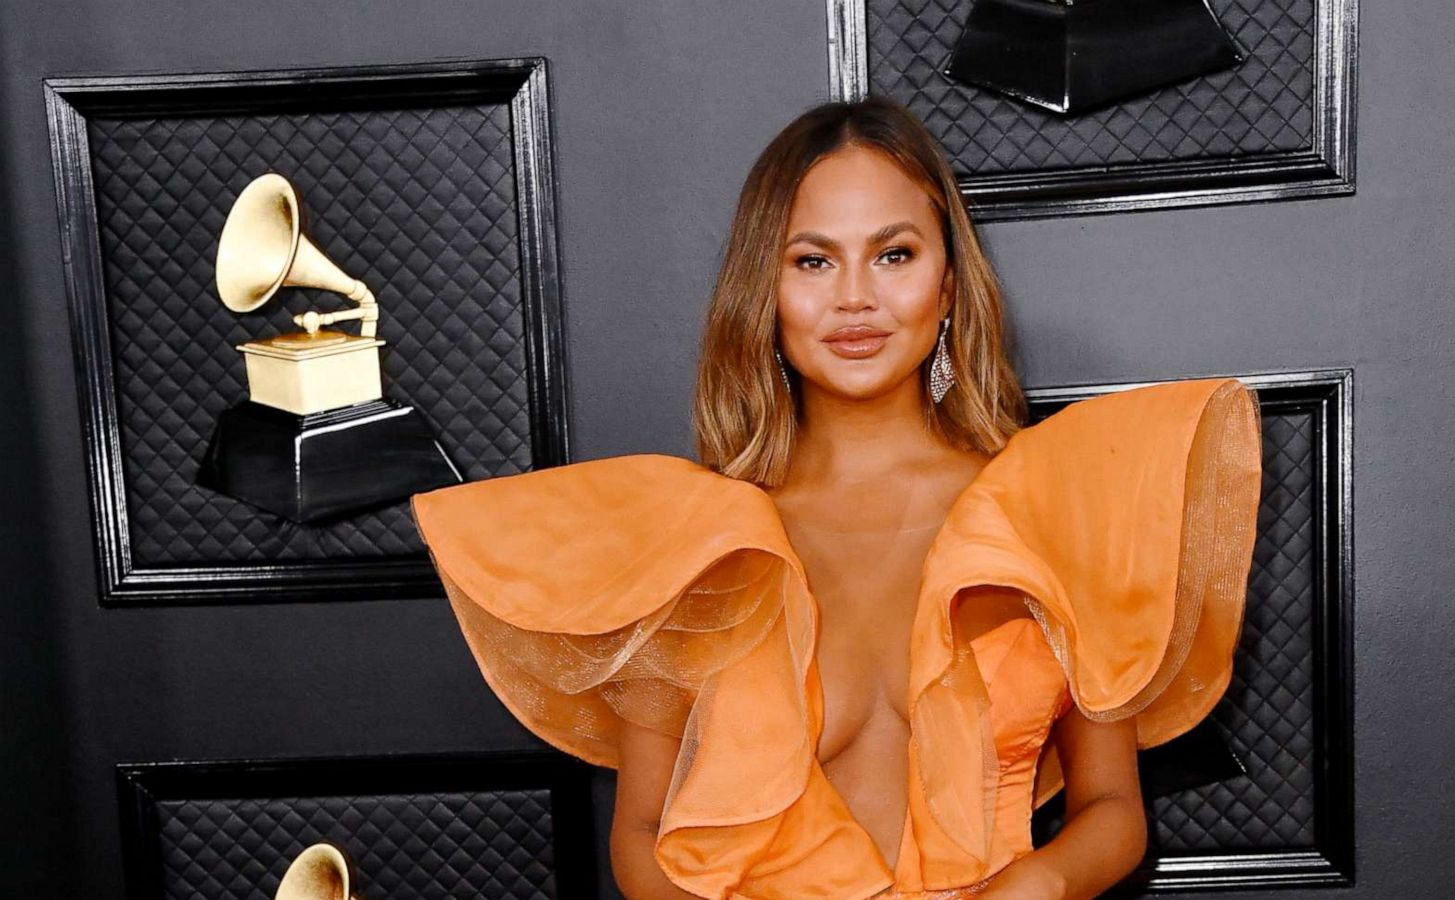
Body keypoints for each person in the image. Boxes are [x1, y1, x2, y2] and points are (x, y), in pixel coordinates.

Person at [410, 97, 1261, 899]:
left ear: (950, 284)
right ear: (765, 291)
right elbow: (638, 829)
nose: (855, 296)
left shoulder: (1049, 509)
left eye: (894, 254)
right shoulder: (699, 536)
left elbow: (1112, 810)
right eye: (812, 260)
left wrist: (1035, 886)